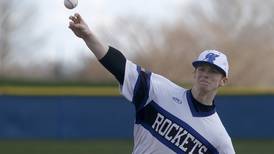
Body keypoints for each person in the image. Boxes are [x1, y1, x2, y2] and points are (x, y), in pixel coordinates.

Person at [69, 13, 235, 154]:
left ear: (223, 81)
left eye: (213, 71)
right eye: (202, 69)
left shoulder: (219, 139)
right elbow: (120, 66)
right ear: (194, 72)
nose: (205, 74)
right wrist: (88, 36)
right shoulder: (159, 91)